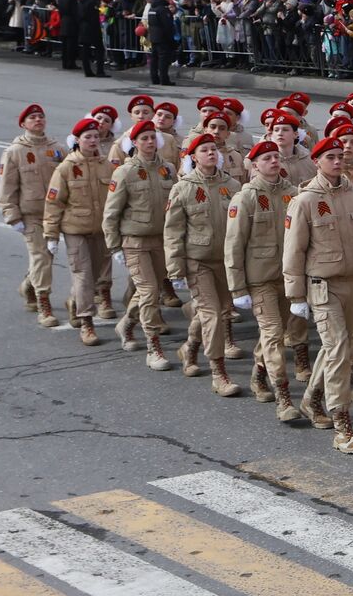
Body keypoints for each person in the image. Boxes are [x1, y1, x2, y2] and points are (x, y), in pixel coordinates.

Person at [283, 134, 353, 455]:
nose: (338, 161)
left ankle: (311, 397)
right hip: (322, 285)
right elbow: (294, 250)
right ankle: (342, 425)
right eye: (330, 157)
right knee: (337, 349)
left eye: (340, 156)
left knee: (340, 347)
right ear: (316, 161)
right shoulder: (304, 200)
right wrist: (295, 295)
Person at [224, 140, 303, 421]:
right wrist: (237, 287)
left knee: (277, 333)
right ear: (254, 165)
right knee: (272, 334)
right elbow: (234, 244)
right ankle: (284, 398)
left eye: (275, 157)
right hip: (259, 280)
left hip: (287, 278)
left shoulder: (292, 194)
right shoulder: (245, 197)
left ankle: (259, 374)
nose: (273, 161)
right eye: (266, 158)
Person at [164, 133, 244, 396]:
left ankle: (190, 348)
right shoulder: (183, 188)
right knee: (211, 314)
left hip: (225, 262)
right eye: (205, 150)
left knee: (217, 312)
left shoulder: (232, 186)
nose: (211, 153)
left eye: (213, 149)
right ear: (193, 156)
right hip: (197, 262)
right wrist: (175, 269)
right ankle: (219, 373)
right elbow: (173, 231)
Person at [103, 119, 177, 371]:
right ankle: (153, 346)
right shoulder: (125, 172)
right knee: (148, 292)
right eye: (143, 138)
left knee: (152, 290)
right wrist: (115, 247)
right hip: (134, 242)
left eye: (151, 137)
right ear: (134, 143)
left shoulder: (167, 169)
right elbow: (111, 213)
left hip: (162, 241)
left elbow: (175, 209)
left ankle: (126, 324)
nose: (149, 142)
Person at [42, 117, 112, 347]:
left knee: (94, 276)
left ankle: (75, 302)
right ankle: (87, 323)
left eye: (95, 136)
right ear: (77, 141)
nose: (93, 141)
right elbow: (54, 203)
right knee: (82, 276)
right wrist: (51, 235)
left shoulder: (106, 165)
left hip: (101, 230)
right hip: (75, 230)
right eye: (87, 137)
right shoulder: (66, 168)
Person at [0, 103, 65, 329]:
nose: (38, 120)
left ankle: (29, 285)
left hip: (55, 214)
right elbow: (7, 187)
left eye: (41, 117)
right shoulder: (15, 152)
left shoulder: (56, 148)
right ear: (23, 123)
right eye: (33, 117)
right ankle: (43, 302)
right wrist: (12, 216)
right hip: (31, 216)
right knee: (42, 256)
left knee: (46, 258)